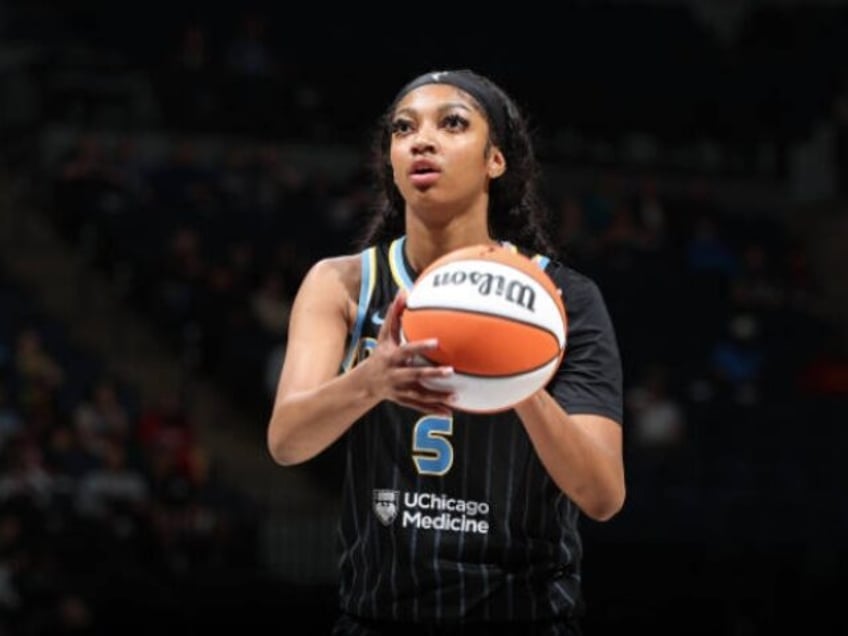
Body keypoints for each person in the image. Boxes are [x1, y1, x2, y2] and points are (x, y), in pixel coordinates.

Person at [266, 69, 625, 635]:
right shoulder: (342, 284)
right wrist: (371, 382)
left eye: (452, 123)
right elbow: (287, 441)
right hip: (377, 617)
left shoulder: (565, 300)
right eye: (403, 128)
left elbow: (602, 495)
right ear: (390, 158)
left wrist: (522, 385)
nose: (422, 140)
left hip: (523, 615)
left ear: (495, 161)